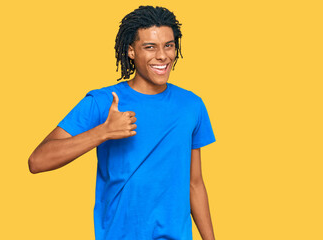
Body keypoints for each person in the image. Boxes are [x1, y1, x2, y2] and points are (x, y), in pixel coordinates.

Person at [28, 5, 216, 240]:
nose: (162, 56)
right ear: (131, 51)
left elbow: (194, 183)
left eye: (168, 45)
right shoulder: (102, 101)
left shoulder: (192, 105)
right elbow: (37, 161)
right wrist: (102, 132)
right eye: (150, 47)